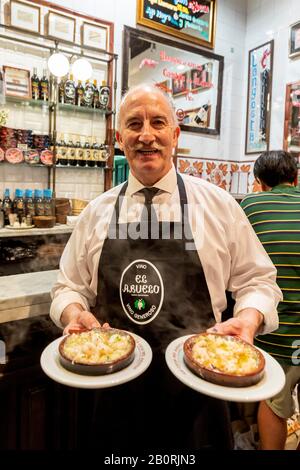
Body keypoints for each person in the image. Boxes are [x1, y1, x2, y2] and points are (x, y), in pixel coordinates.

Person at [50, 84, 281, 450]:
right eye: (134, 124)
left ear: (175, 134)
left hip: (201, 393)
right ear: (119, 137)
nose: (146, 135)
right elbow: (68, 287)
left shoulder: (218, 206)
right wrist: (73, 313)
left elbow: (259, 280)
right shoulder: (96, 213)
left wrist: (250, 317)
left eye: (158, 123)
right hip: (112, 391)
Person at [240, 150, 300, 450]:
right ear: (296, 178)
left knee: (275, 402)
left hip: (278, 332)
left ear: (259, 182)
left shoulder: (251, 203)